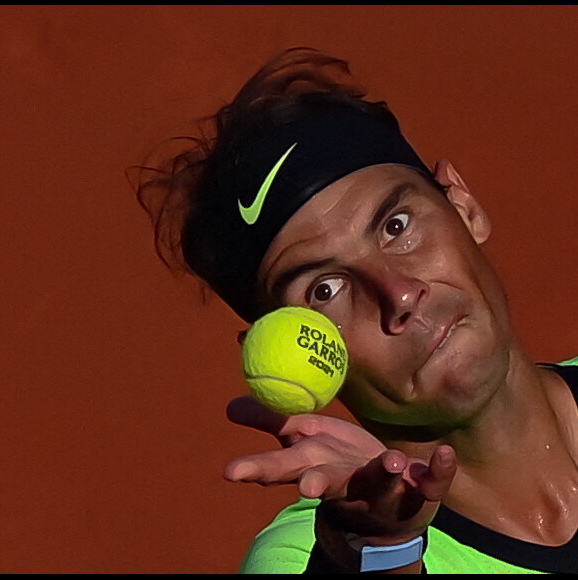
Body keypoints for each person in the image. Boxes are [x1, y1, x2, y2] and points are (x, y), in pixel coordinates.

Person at [135, 47, 578, 574]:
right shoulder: (303, 559)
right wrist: (380, 552)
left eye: (396, 226)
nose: (399, 294)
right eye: (325, 289)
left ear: (463, 205)